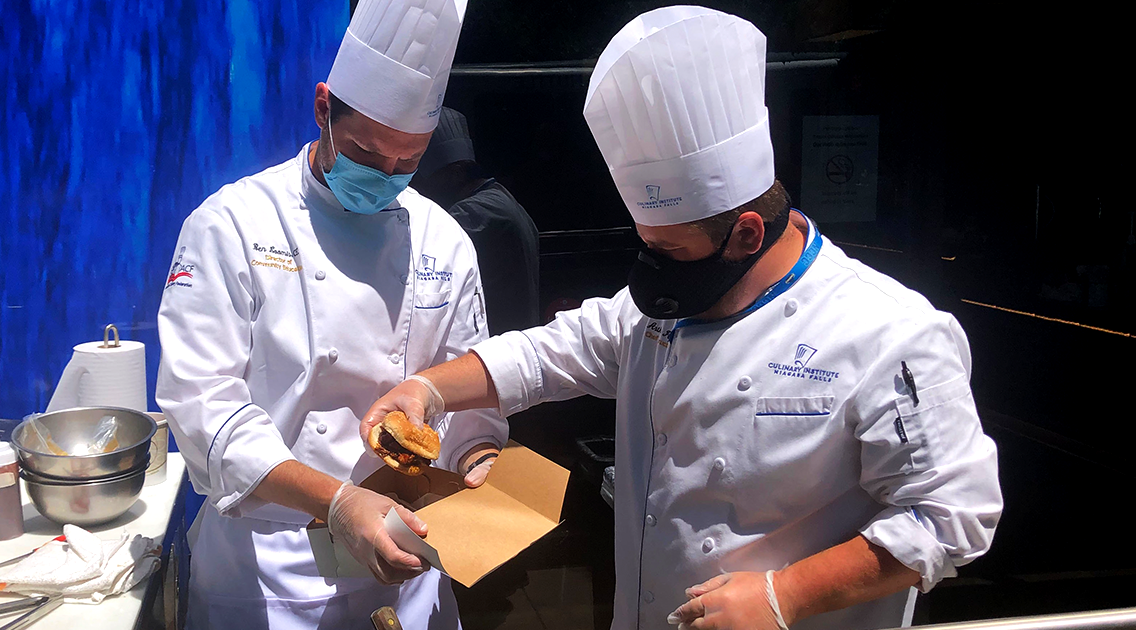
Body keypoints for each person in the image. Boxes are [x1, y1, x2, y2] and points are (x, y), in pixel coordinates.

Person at [361, 7, 1003, 630]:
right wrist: (429, 388)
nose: (653, 268)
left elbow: (952, 516)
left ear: (747, 233)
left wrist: (788, 595)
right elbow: (546, 354)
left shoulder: (891, 333)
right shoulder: (653, 316)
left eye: (671, 251)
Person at [155, 0, 506, 627]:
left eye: (408, 163)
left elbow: (467, 394)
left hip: (406, 553)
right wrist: (339, 501)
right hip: (264, 571)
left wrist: (479, 461)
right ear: (323, 108)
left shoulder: (444, 240)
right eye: (369, 157)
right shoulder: (232, 225)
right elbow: (204, 407)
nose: (388, 177)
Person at [411, 107, 541, 333]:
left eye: (427, 180)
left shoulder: (475, 213)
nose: (424, 188)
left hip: (497, 339)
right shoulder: (498, 197)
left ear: (454, 173)